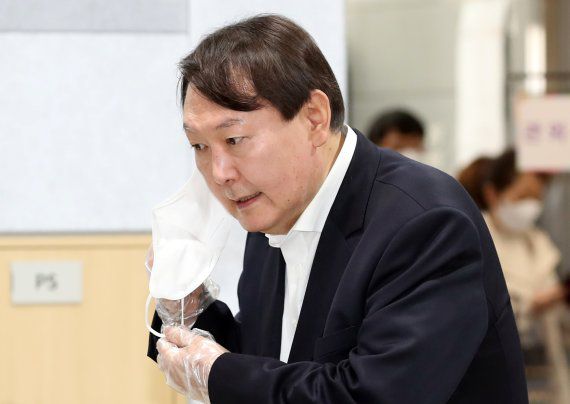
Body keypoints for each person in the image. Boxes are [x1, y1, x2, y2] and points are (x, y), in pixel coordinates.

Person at [147, 15, 527, 403]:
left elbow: (372, 394)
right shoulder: (273, 211)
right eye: (199, 146)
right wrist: (189, 307)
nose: (219, 173)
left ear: (314, 118)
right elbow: (271, 361)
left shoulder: (425, 222)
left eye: (234, 139)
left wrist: (217, 374)